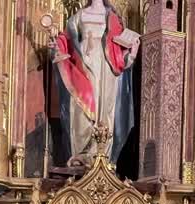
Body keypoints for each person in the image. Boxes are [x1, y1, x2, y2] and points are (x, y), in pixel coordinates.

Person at [52, 0, 139, 166]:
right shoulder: (78, 17)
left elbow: (120, 53)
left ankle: (102, 155)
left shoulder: (112, 18)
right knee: (81, 110)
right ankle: (81, 155)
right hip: (83, 67)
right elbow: (64, 42)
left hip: (106, 69)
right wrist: (55, 45)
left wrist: (132, 52)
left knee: (105, 110)